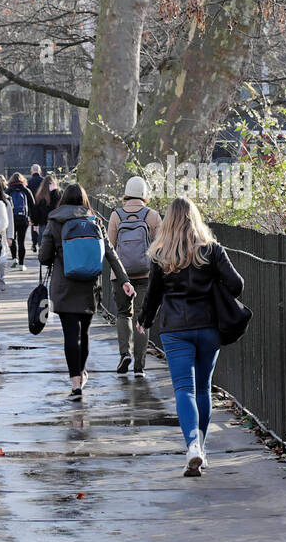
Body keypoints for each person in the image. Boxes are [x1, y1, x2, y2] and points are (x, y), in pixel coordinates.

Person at [138, 197, 244, 477]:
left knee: (183, 389)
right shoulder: (211, 250)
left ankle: (192, 446)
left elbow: (153, 295)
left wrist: (144, 321)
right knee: (203, 389)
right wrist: (213, 286)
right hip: (208, 326)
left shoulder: (161, 254)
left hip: (175, 329)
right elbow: (236, 284)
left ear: (168, 222)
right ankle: (201, 448)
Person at [38, 183, 134, 399]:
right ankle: (82, 373)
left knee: (70, 335)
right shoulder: (94, 220)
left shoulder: (55, 221)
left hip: (64, 287)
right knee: (84, 333)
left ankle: (75, 384)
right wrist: (125, 280)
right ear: (84, 200)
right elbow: (110, 253)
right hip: (89, 286)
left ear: (63, 199)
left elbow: (44, 257)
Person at [106, 175, 161, 376]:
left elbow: (110, 247)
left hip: (121, 277)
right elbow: (160, 247)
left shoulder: (116, 216)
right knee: (142, 317)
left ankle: (124, 354)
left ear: (127, 193)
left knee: (123, 314)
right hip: (146, 274)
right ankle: (139, 365)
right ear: (144, 194)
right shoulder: (152, 216)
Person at [0, 178, 15, 291]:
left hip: (3, 234)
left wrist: (10, 236)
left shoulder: (6, 202)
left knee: (2, 259)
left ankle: (1, 279)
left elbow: (10, 220)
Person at [7, 173, 36, 269]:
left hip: (11, 219)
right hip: (23, 219)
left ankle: (14, 258)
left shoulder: (8, 190)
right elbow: (32, 205)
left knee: (12, 238)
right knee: (21, 241)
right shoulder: (26, 190)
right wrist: (32, 219)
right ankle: (21, 264)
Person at [30, 173, 60, 252]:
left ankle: (44, 257)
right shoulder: (57, 193)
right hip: (55, 221)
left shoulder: (40, 195)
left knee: (43, 241)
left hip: (43, 222)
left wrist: (35, 222)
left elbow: (36, 210)